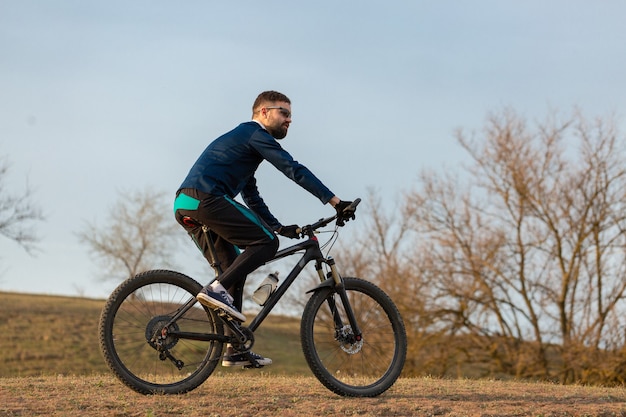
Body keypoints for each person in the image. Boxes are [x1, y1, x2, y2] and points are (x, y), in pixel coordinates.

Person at [174, 90, 351, 367]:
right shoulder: (254, 134)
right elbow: (292, 168)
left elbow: (251, 197)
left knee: (234, 269)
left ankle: (234, 349)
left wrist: (279, 227)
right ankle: (214, 290)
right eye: (284, 113)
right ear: (263, 112)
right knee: (266, 244)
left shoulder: (244, 149)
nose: (289, 120)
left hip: (187, 204)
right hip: (204, 198)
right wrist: (335, 201)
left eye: (291, 115)